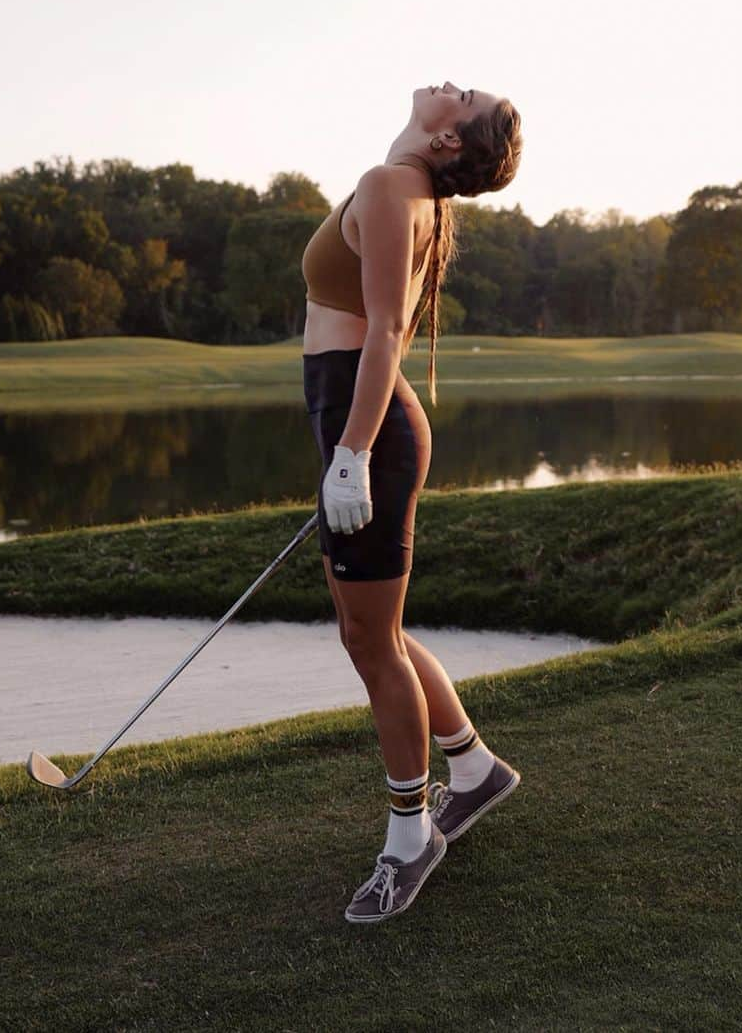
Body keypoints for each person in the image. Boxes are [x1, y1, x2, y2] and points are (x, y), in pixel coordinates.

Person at [300, 80, 523, 923]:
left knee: (370, 642)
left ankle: (411, 833)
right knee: (375, 632)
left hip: (369, 423)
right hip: (355, 417)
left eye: (465, 98)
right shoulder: (406, 186)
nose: (451, 85)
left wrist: (352, 454)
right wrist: (343, 448)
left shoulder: (393, 187)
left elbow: (386, 331)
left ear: (448, 143)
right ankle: (472, 770)